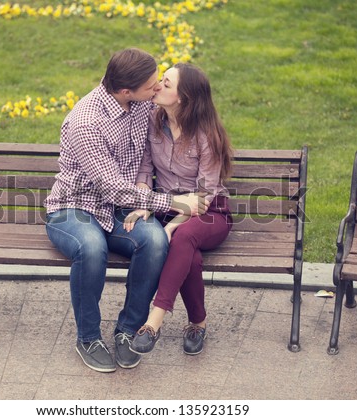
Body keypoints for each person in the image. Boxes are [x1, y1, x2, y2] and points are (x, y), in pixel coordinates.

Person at [45, 48, 210, 373]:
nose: (156, 90)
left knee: (155, 241)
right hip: (74, 207)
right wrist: (176, 203)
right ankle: (88, 338)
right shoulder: (86, 122)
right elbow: (113, 188)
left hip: (122, 207)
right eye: (151, 85)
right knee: (91, 247)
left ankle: (128, 329)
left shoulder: (141, 104)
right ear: (125, 91)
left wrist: (144, 195)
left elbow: (142, 159)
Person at [125, 62, 234, 356]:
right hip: (167, 207)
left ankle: (153, 323)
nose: (158, 85)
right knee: (190, 257)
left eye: (167, 83)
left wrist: (172, 225)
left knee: (182, 237)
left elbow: (204, 195)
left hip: (210, 212)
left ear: (183, 98)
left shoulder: (206, 135)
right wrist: (144, 205)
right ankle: (198, 323)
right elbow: (145, 170)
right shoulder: (153, 120)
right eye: (161, 80)